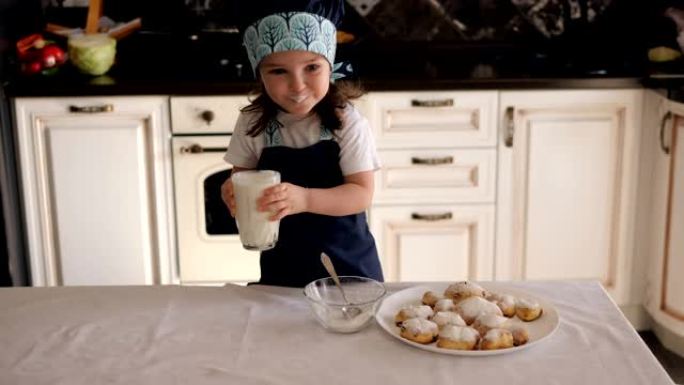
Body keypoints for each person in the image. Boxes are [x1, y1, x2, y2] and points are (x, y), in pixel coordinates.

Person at [221, 0, 384, 287]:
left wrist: (305, 200)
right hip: (284, 267)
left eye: (311, 67)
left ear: (330, 65)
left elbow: (361, 194)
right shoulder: (252, 123)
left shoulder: (346, 122)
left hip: (348, 270)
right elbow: (240, 176)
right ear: (259, 73)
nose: (298, 86)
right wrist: (232, 190)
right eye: (278, 71)